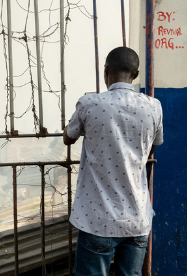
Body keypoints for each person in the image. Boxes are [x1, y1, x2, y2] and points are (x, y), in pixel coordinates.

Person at [63, 47, 163, 276]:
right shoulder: (153, 107)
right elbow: (151, 149)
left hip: (99, 219)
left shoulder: (90, 103)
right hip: (137, 219)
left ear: (106, 70)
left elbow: (68, 137)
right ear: (135, 75)